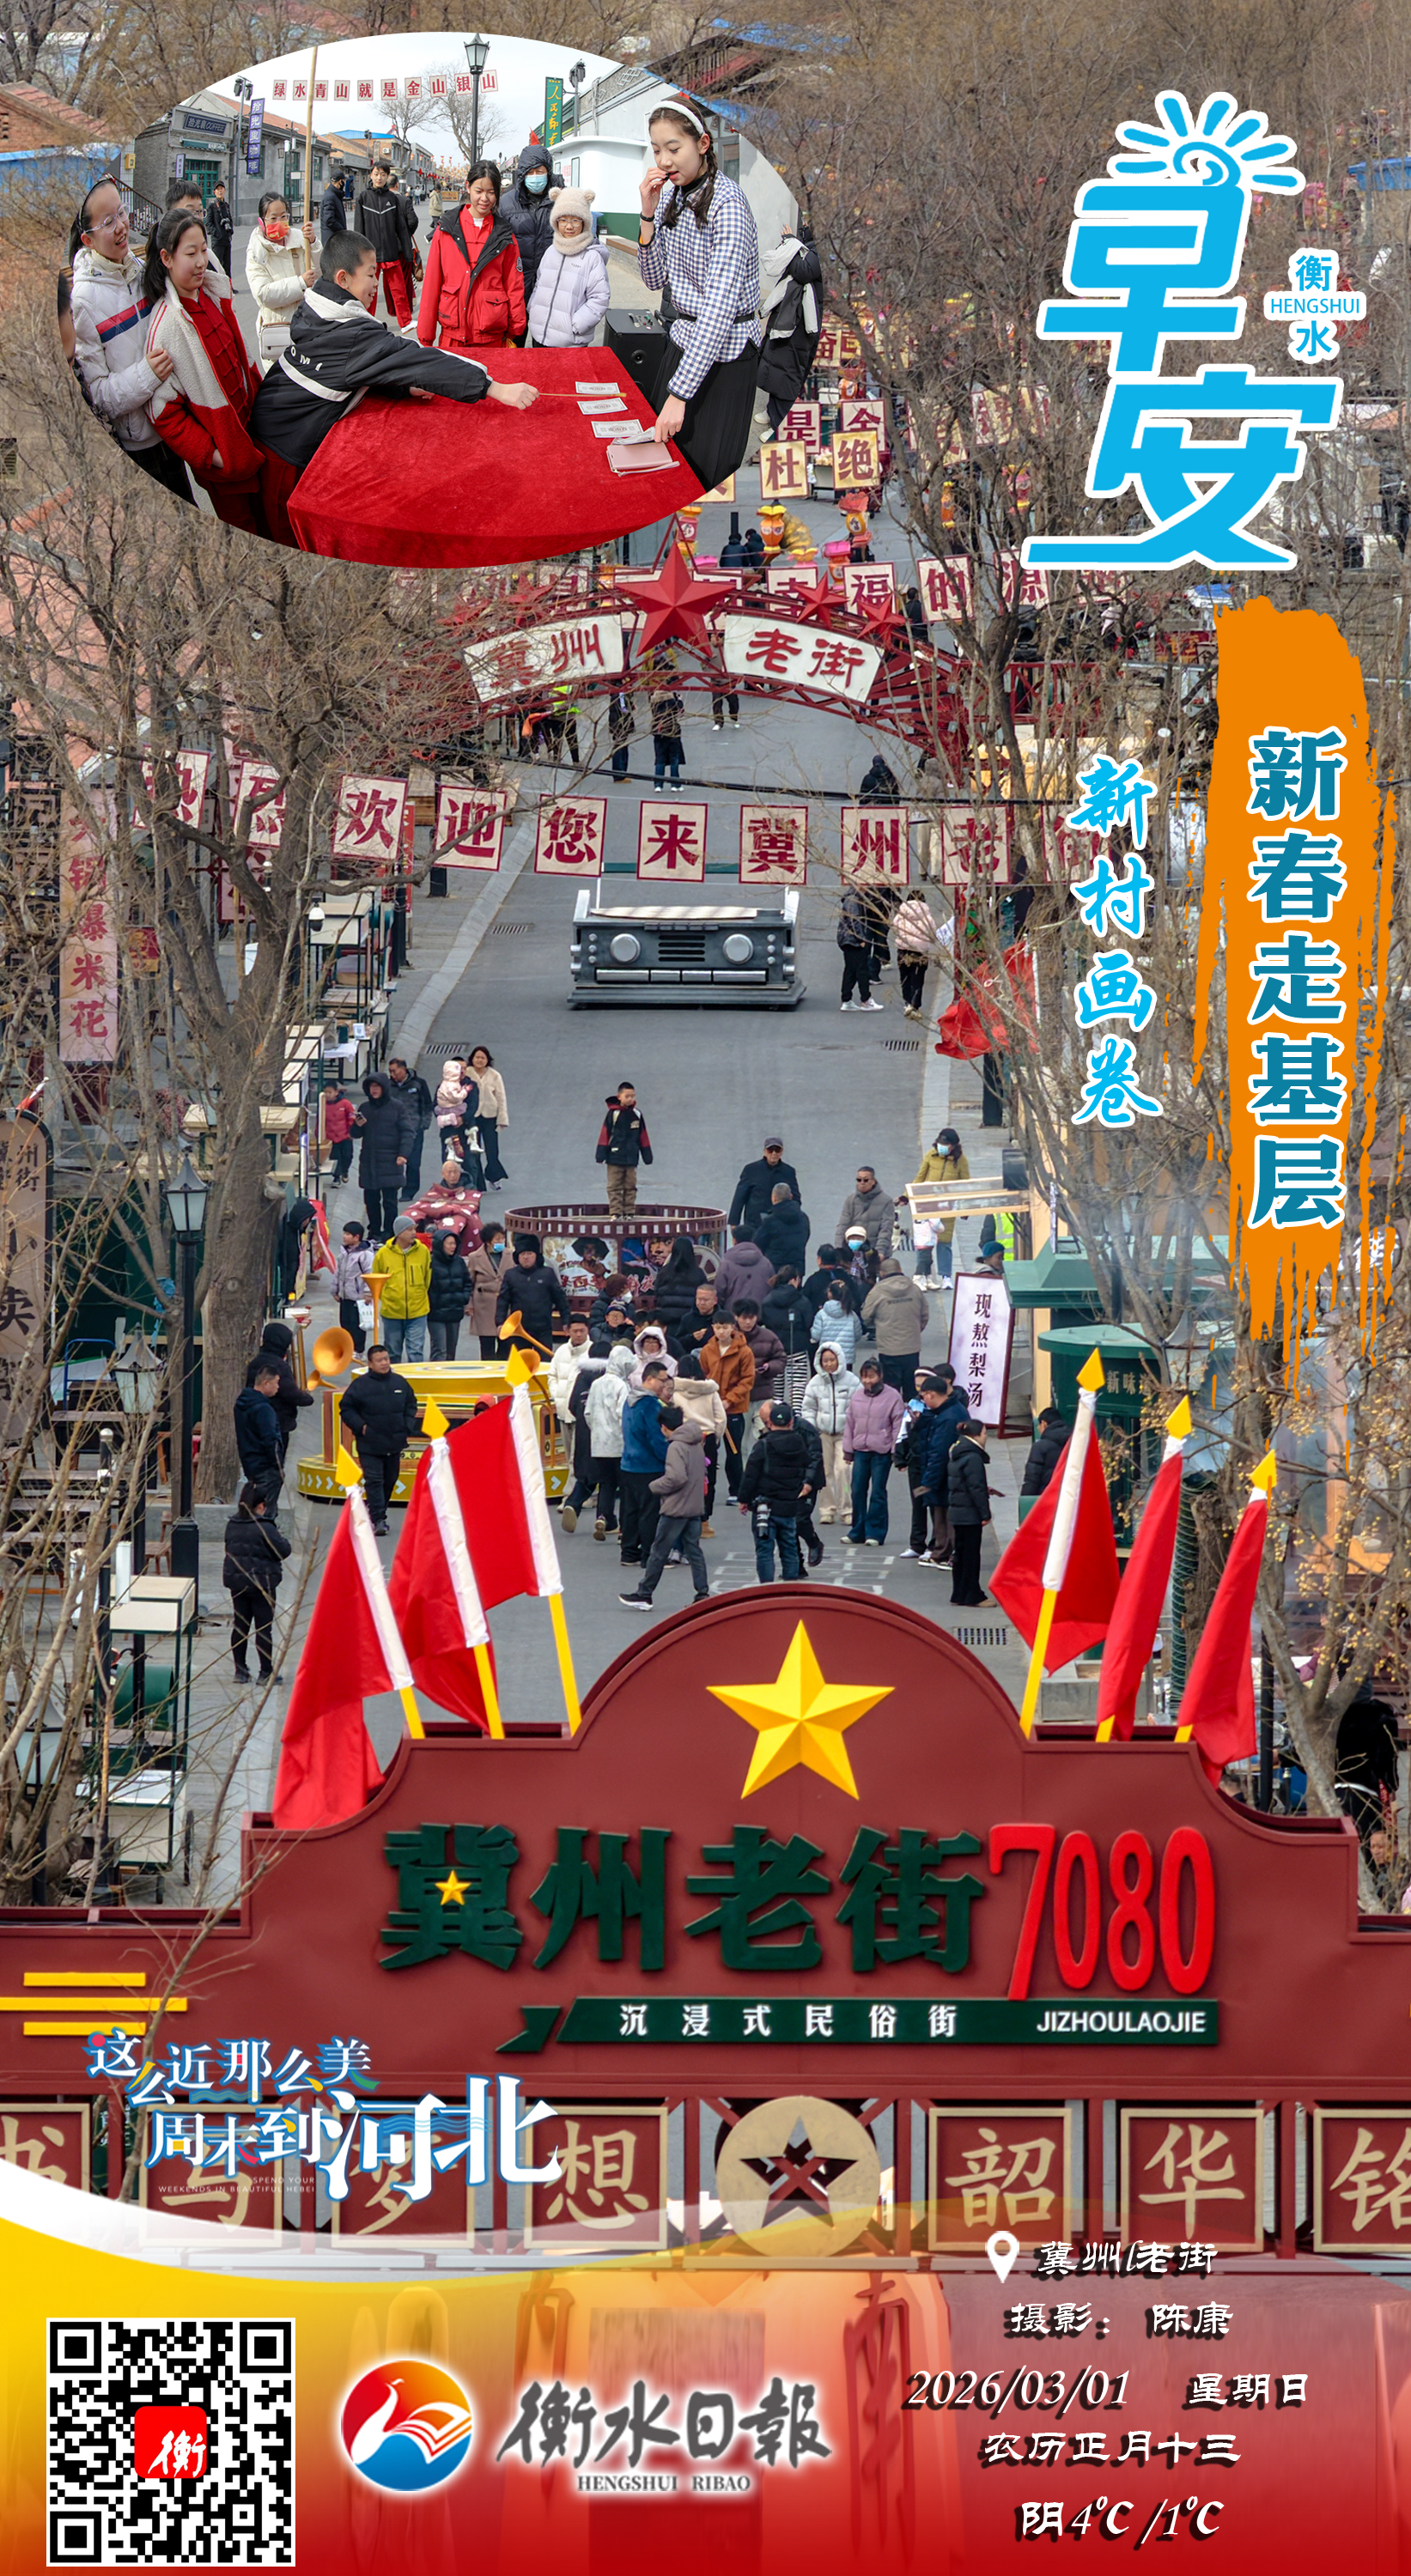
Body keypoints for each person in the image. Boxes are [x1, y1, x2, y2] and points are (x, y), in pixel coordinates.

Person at [249, 231, 538, 530]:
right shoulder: (353, 335)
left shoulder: (316, 307)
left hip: (272, 420)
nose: (377, 283)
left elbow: (355, 369)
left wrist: (402, 387)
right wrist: (494, 387)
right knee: (283, 536)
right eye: (370, 274)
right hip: (283, 449)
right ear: (343, 279)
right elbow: (418, 359)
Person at [636, 100, 762, 489]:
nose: (665, 160)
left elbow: (719, 311)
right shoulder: (669, 197)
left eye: (674, 149)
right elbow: (654, 279)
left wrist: (679, 394)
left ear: (703, 144)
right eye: (657, 150)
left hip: (727, 352)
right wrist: (646, 214)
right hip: (684, 338)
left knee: (705, 470)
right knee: (664, 461)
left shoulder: (728, 204)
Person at [141, 208, 275, 537]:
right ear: (166, 258)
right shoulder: (167, 327)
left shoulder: (214, 295)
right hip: (226, 465)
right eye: (191, 254)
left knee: (270, 520)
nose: (202, 261)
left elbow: (241, 362)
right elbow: (162, 413)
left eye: (203, 249)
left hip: (254, 437)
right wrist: (212, 456)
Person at [67, 183, 195, 502]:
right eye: (108, 222)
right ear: (87, 239)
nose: (121, 226)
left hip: (171, 423)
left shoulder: (137, 268)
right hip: (141, 446)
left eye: (121, 213)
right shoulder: (83, 301)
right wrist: (146, 374)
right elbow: (98, 394)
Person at [417, 161, 526, 353]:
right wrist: (426, 334)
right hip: (452, 335)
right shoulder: (446, 229)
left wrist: (516, 327)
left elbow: (514, 284)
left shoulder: (504, 234)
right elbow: (432, 282)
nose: (484, 198)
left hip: (492, 336)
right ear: (468, 187)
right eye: (479, 191)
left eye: (491, 192)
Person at [621, 1405, 711, 1607]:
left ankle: (645, 1593)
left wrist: (654, 1486)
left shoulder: (675, 1447)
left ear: (663, 1427)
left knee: (658, 1551)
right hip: (694, 1505)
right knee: (694, 1550)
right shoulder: (696, 1443)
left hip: (676, 1507)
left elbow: (676, 1477)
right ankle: (702, 1592)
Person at [339, 1344, 420, 1534]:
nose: (384, 1363)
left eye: (386, 1359)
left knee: (390, 1479)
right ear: (370, 1364)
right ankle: (378, 1520)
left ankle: (378, 1513)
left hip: (394, 1443)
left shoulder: (400, 1383)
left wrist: (406, 1426)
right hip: (369, 1444)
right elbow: (346, 1408)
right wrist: (361, 1427)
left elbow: (411, 1404)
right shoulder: (360, 1386)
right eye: (379, 1360)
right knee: (374, 1480)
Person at [757, 219, 823, 431]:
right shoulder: (806, 242)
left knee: (789, 371)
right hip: (788, 312)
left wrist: (792, 244)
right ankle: (772, 411)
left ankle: (780, 422)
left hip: (802, 321)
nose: (804, 222)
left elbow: (804, 271)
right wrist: (792, 243)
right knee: (777, 363)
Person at [222, 1483, 291, 1684]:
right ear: (261, 1505)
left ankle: (240, 1670)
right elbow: (283, 1550)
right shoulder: (266, 1527)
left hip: (237, 1582)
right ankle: (265, 1672)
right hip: (262, 1583)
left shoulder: (232, 1524)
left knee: (240, 1626)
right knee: (263, 1628)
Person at [563, 1341, 634, 1535]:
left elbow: (580, 1408)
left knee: (601, 1480)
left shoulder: (589, 1380)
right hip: (617, 1442)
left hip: (593, 1439)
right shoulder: (621, 1384)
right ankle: (615, 1522)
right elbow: (623, 1414)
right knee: (622, 1484)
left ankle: (590, 1511)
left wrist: (595, 1428)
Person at [528, 185, 611, 347]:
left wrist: (576, 325)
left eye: (575, 220)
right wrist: (533, 308)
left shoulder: (592, 257)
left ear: (584, 222)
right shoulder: (551, 251)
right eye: (563, 220)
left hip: (570, 342)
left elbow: (599, 298)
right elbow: (539, 284)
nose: (569, 226)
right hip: (539, 336)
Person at [245, 191, 318, 370]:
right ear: (262, 221)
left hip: (306, 325)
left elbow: (320, 273)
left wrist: (314, 243)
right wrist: (300, 283)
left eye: (283, 216)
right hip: (277, 330)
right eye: (273, 218)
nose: (279, 222)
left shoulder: (300, 239)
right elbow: (263, 294)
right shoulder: (256, 252)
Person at [739, 1401, 811, 1583]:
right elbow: (806, 1467)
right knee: (789, 1547)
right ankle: (790, 1584)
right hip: (789, 1505)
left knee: (765, 1549)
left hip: (765, 1506)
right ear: (791, 1422)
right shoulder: (799, 1444)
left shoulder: (763, 1445)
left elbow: (750, 1475)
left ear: (769, 1423)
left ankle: (766, 1588)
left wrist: (744, 1499)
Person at [843, 1358, 904, 1546]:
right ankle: (857, 1531)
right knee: (857, 1490)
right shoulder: (857, 1396)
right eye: (864, 1377)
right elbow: (850, 1423)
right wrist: (848, 1449)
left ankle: (875, 1533)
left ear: (880, 1376)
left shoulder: (893, 1396)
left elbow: (897, 1425)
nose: (868, 1381)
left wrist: (896, 1451)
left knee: (878, 1492)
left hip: (882, 1451)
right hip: (861, 1450)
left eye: (871, 1376)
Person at [909, 1369, 965, 1566]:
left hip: (946, 1476)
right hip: (945, 1475)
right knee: (941, 1514)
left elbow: (939, 1453)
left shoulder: (947, 1418)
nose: (923, 1400)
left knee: (945, 1516)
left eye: (924, 1395)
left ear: (931, 1394)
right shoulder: (944, 1412)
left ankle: (945, 1554)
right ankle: (941, 1552)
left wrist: (928, 1482)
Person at [801, 1340, 861, 1524]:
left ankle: (847, 1509)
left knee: (843, 1471)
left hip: (845, 1434)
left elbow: (859, 1407)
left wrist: (854, 1429)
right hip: (823, 1434)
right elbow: (808, 1407)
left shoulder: (852, 1381)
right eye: (825, 1361)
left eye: (832, 1360)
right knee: (825, 1471)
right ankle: (827, 1509)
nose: (828, 1364)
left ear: (839, 1359)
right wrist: (812, 1429)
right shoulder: (815, 1382)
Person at [619, 1358, 670, 1566]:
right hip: (648, 1465)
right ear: (649, 1379)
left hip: (628, 1463)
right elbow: (656, 1437)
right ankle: (650, 1555)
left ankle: (629, 1553)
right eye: (662, 1380)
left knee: (630, 1511)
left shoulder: (629, 1400)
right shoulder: (650, 1405)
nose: (664, 1385)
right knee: (650, 1513)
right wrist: (668, 1458)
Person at [356, 160, 417, 325]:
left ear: (387, 176)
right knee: (369, 291)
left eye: (383, 174)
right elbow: (358, 230)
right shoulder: (363, 198)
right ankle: (367, 323)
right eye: (376, 174)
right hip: (370, 255)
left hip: (391, 252)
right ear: (371, 175)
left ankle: (406, 322)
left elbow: (401, 228)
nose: (379, 178)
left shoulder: (392, 198)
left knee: (399, 289)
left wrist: (408, 252)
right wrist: (358, 256)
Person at [507, 141, 567, 304]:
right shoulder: (507, 202)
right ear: (522, 174)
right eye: (530, 172)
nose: (535, 176)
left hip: (554, 284)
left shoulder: (564, 199)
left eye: (539, 171)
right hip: (517, 284)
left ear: (548, 172)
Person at [673, 1351, 728, 1529]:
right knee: (708, 1480)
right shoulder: (710, 1390)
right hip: (707, 1436)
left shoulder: (674, 1389)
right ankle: (704, 1520)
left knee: (683, 1478)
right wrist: (715, 1438)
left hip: (682, 1438)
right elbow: (720, 1418)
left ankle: (684, 1517)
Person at [355, 1071, 412, 1242]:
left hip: (391, 1161)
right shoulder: (364, 1108)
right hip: (369, 1161)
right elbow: (355, 1134)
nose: (374, 1090)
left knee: (390, 1201)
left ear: (384, 1088)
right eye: (371, 1087)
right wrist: (357, 1125)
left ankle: (389, 1232)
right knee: (371, 1201)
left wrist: (403, 1154)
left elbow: (407, 1132)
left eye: (377, 1086)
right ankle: (374, 1231)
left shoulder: (397, 1107)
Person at [702, 1315, 755, 1499]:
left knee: (734, 1450)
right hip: (711, 1407)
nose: (721, 1331)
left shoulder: (744, 1351)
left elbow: (747, 1380)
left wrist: (729, 1400)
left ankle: (736, 1490)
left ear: (732, 1327)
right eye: (718, 1327)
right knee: (709, 1449)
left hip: (734, 1408)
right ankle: (707, 1488)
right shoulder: (707, 1350)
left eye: (724, 1327)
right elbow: (703, 1375)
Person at [244, 1319, 313, 1458]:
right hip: (277, 1421)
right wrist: (306, 1398)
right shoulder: (279, 1366)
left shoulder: (256, 1362)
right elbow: (289, 1392)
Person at [910, 1128, 968, 1290]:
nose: (943, 1146)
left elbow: (965, 1184)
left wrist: (965, 1208)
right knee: (924, 1242)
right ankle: (923, 1275)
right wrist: (907, 1195)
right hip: (928, 1204)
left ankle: (946, 1276)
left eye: (946, 1144)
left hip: (947, 1206)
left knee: (945, 1242)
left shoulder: (960, 1161)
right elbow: (920, 1177)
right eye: (941, 1143)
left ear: (953, 1146)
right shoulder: (931, 1155)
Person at [863, 1256, 929, 1396]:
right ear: (900, 1269)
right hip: (911, 1347)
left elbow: (866, 1316)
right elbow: (924, 1315)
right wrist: (915, 1330)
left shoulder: (877, 1292)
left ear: (881, 1273)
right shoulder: (914, 1289)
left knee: (890, 1392)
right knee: (912, 1391)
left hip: (888, 1349)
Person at [496, 1233, 571, 1351]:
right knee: (520, 1360)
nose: (526, 1257)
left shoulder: (547, 1273)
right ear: (517, 1257)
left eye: (530, 1253)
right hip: (519, 1329)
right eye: (522, 1254)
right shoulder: (511, 1275)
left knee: (545, 1359)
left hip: (543, 1328)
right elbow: (503, 1301)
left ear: (536, 1255)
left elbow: (560, 1299)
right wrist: (500, 1322)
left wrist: (566, 1321)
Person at [947, 1418, 994, 1605]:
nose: (986, 1437)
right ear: (976, 1436)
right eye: (984, 1433)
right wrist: (985, 1513)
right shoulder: (973, 1458)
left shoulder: (957, 1452)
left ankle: (959, 1593)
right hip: (969, 1514)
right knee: (971, 1556)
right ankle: (973, 1595)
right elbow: (976, 1488)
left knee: (960, 1554)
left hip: (957, 1512)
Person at [377, 1214, 432, 1362]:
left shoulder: (423, 1251)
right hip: (392, 1312)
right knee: (393, 1352)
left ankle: (415, 1378)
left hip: (418, 1311)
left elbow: (427, 1278)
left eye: (414, 1229)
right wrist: (388, 1298)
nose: (414, 1233)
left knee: (416, 1352)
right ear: (399, 1233)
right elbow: (377, 1279)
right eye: (409, 1230)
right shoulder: (383, 1254)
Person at [595, 1081, 653, 1219]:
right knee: (614, 1186)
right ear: (619, 1097)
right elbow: (605, 1134)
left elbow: (643, 1136)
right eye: (627, 1096)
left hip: (631, 1158)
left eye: (632, 1096)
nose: (630, 1099)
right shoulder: (613, 1114)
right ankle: (616, 1212)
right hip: (614, 1157)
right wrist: (601, 1153)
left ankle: (629, 1212)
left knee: (630, 1186)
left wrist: (647, 1154)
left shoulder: (637, 1115)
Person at [761, 1264, 814, 1406]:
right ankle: (795, 1417)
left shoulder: (767, 1301)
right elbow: (809, 1322)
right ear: (794, 1280)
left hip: (775, 1350)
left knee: (776, 1391)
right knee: (797, 1389)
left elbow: (763, 1321)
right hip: (797, 1347)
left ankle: (777, 1416)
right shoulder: (802, 1301)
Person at [233, 1365, 285, 1505]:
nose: (278, 1387)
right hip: (265, 1467)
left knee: (254, 1505)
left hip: (250, 1463)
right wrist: (277, 1465)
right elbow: (270, 1439)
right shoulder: (263, 1409)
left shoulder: (242, 1404)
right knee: (266, 1508)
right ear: (266, 1383)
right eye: (276, 1382)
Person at [407, 1158, 483, 1254]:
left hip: (459, 1216)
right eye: (449, 1172)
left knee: (459, 1220)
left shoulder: (470, 1188)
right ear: (443, 1174)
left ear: (460, 1173)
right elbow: (425, 1203)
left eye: (455, 1172)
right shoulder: (437, 1189)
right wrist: (443, 1209)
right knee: (414, 1214)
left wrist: (450, 1209)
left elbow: (472, 1207)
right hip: (439, 1216)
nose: (453, 1175)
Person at [386, 1058, 434, 1200]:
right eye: (390, 1071)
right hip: (394, 1130)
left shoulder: (419, 1084)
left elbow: (427, 1105)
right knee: (393, 1160)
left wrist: (423, 1124)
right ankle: (393, 1187)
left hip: (414, 1129)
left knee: (413, 1162)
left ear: (403, 1069)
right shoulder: (387, 1086)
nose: (392, 1074)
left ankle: (410, 1191)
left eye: (394, 1071)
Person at [730, 1141, 799, 1237]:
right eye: (770, 1150)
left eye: (777, 1150)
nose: (774, 1153)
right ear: (765, 1152)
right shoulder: (751, 1170)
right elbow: (740, 1197)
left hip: (780, 1223)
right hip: (754, 1223)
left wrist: (794, 1218)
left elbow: (796, 1198)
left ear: (781, 1152)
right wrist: (734, 1222)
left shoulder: (788, 1172)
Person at [893, 887, 940, 1022]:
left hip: (903, 949)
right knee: (918, 978)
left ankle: (907, 1003)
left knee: (905, 977)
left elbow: (895, 929)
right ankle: (915, 1005)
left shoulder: (901, 915)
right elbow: (933, 934)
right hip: (920, 951)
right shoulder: (928, 917)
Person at [731, 1298, 786, 1416]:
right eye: (744, 1318)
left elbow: (780, 1358)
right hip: (738, 1396)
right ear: (736, 1317)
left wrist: (769, 1367)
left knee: (763, 1426)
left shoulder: (768, 1336)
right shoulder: (728, 1337)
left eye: (751, 1318)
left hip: (763, 1394)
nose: (748, 1322)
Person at [427, 1228, 473, 1360]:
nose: (453, 1246)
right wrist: (434, 1301)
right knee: (439, 1350)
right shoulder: (431, 1262)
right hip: (436, 1313)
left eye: (454, 1243)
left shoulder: (459, 1261)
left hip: (455, 1311)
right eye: (449, 1243)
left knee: (451, 1351)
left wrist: (463, 1298)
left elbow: (467, 1282)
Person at [466, 1046, 508, 1186]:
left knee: (492, 1150)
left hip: (490, 1116)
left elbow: (501, 1098)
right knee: (474, 1150)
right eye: (477, 1057)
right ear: (472, 1059)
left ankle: (493, 1177)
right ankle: (478, 1182)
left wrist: (502, 1118)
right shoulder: (467, 1073)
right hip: (472, 1116)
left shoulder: (495, 1075)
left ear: (488, 1060)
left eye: (483, 1058)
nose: (480, 1060)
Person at [837, 879, 880, 1012]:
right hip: (853, 941)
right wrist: (861, 939)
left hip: (849, 940)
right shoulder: (853, 901)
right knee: (862, 970)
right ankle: (865, 1000)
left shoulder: (853, 899)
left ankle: (847, 1000)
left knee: (850, 970)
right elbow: (854, 922)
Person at [333, 1220, 375, 1354]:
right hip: (345, 1296)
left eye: (347, 1234)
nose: (344, 1236)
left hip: (358, 1297)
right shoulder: (343, 1254)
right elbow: (338, 1273)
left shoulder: (366, 1255)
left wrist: (368, 1293)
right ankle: (348, 1348)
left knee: (357, 1325)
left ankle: (358, 1350)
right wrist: (335, 1290)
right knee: (345, 1323)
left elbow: (370, 1274)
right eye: (344, 1233)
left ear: (357, 1237)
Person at [467, 1223, 508, 1358]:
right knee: (486, 1346)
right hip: (484, 1306)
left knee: (505, 1345)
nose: (501, 1242)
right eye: (497, 1239)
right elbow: (469, 1283)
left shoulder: (510, 1255)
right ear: (488, 1241)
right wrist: (469, 1304)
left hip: (505, 1305)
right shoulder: (475, 1257)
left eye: (502, 1238)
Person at [653, 1236, 708, 1334]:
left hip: (668, 1321)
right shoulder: (698, 1274)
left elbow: (657, 1293)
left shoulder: (664, 1273)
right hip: (691, 1321)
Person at [837, 1167, 897, 1257]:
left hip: (875, 1252)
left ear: (873, 1181)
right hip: (852, 1252)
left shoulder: (886, 1201)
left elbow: (886, 1230)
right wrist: (839, 1250)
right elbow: (842, 1226)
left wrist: (879, 1252)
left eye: (866, 1180)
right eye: (859, 1180)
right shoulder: (850, 1200)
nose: (862, 1183)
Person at [754, 1182, 810, 1274]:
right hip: (797, 1269)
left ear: (774, 1198)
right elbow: (805, 1237)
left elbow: (757, 1243)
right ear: (791, 1196)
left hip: (775, 1269)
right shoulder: (803, 1217)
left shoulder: (769, 1221)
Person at [715, 1227, 775, 1314]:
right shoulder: (766, 1263)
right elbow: (771, 1287)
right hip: (759, 1312)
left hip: (733, 1313)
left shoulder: (726, 1263)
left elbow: (720, 1290)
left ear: (734, 1240)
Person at [547, 1316, 594, 1424]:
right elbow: (552, 1375)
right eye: (575, 1331)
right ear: (568, 1331)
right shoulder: (561, 1351)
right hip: (562, 1411)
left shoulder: (593, 1351)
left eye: (582, 1331)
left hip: (584, 1415)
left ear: (588, 1330)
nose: (579, 1334)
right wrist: (556, 1394)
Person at [1022, 1406, 1070, 1498]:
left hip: (1046, 1497)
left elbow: (1032, 1479)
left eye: (1039, 1425)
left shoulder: (1040, 1447)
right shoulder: (1074, 1442)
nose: (1038, 1428)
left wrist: (1025, 1500)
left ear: (1044, 1424)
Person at [434, 1057, 473, 1164]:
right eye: (459, 1068)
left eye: (464, 1068)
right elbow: (436, 1106)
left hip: (466, 1129)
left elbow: (473, 1106)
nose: (462, 1071)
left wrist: (462, 1119)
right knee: (449, 1162)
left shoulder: (471, 1086)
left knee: (470, 1164)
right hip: (448, 1130)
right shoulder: (443, 1086)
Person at [810, 1286, 859, 1368]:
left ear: (830, 1294)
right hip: (846, 1356)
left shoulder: (821, 1314)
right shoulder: (851, 1314)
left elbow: (816, 1336)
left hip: (828, 1355)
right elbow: (857, 1335)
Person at [650, 681, 684, 789]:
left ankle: (658, 785)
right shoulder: (672, 701)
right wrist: (679, 700)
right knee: (674, 758)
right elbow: (680, 711)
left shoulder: (654, 701)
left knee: (660, 759)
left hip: (659, 732)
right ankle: (675, 784)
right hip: (672, 730)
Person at [322, 1083, 356, 1184]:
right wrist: (318, 1134)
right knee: (335, 1157)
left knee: (347, 1156)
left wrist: (351, 1131)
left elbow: (351, 1117)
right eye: (325, 1092)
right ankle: (336, 1177)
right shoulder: (323, 1105)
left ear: (336, 1092)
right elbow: (320, 1120)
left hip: (345, 1136)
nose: (328, 1095)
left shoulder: (345, 1103)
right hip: (331, 1137)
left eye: (330, 1092)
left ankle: (345, 1171)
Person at [681, 1282, 721, 1358]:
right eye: (699, 1299)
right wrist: (692, 1338)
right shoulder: (687, 1318)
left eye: (706, 1300)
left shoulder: (723, 1318)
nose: (702, 1303)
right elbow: (679, 1343)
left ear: (715, 1301)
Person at [205, 176, 234, 270]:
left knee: (227, 267)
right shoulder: (212, 206)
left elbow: (230, 220)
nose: (220, 191)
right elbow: (208, 223)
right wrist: (216, 234)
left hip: (227, 240)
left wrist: (230, 232)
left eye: (221, 189)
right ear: (214, 192)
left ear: (225, 190)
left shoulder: (226, 206)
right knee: (217, 266)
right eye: (218, 189)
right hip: (218, 242)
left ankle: (228, 280)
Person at [319, 164, 349, 247]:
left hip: (334, 237)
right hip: (332, 239)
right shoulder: (330, 196)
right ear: (340, 182)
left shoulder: (335, 195)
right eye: (344, 181)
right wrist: (342, 229)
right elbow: (329, 220)